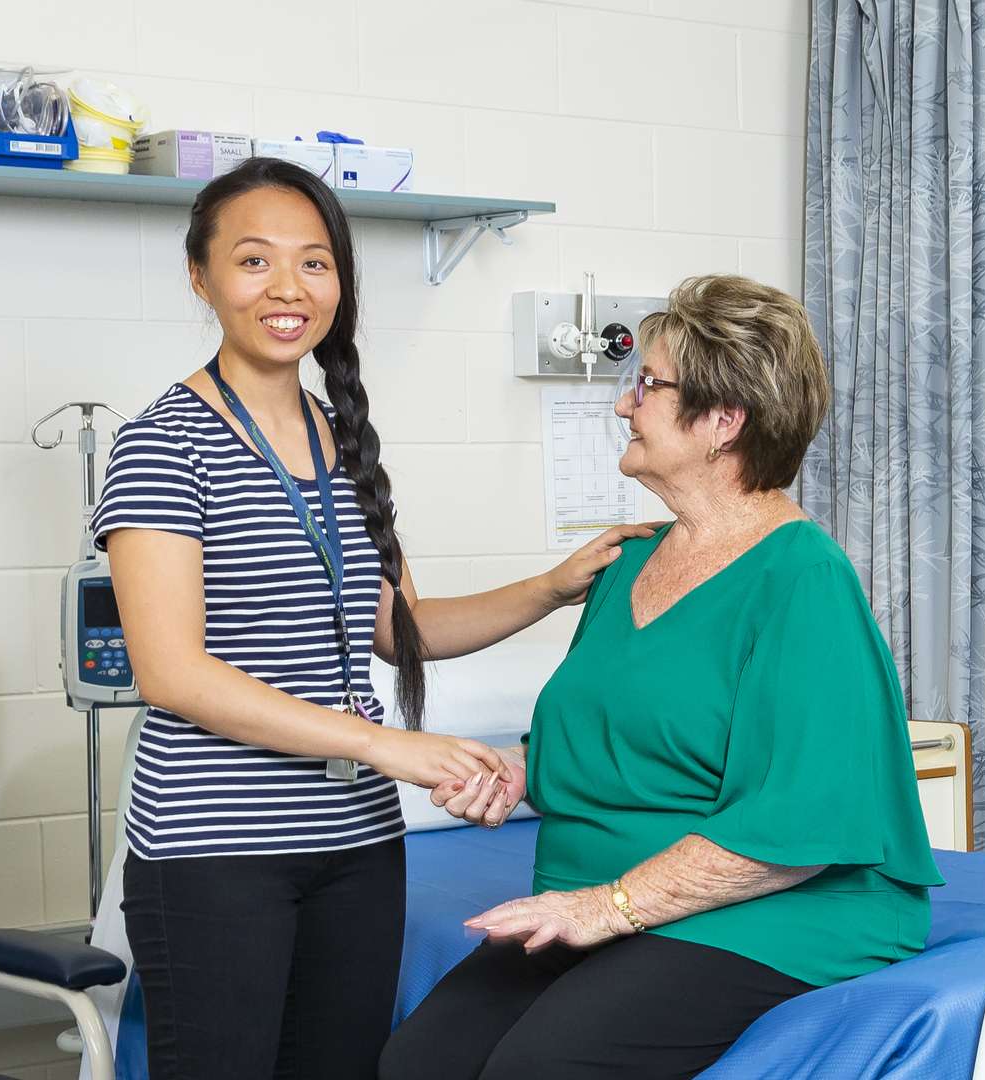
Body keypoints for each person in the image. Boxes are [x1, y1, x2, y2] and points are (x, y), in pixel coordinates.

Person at [95, 156, 648, 1079]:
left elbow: (398, 631)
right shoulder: (162, 443)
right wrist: (384, 745)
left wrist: (552, 586)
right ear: (201, 276)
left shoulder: (336, 433)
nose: (288, 288)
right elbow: (172, 674)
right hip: (216, 851)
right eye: (254, 261)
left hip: (354, 844)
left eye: (314, 263)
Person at [381, 275, 944, 1080]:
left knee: (540, 1069)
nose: (622, 405)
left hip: (769, 908)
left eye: (646, 384)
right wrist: (518, 773)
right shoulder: (628, 561)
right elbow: (628, 737)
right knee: (415, 1066)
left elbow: (802, 825)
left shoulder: (801, 577)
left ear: (723, 421)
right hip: (609, 890)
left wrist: (609, 909)